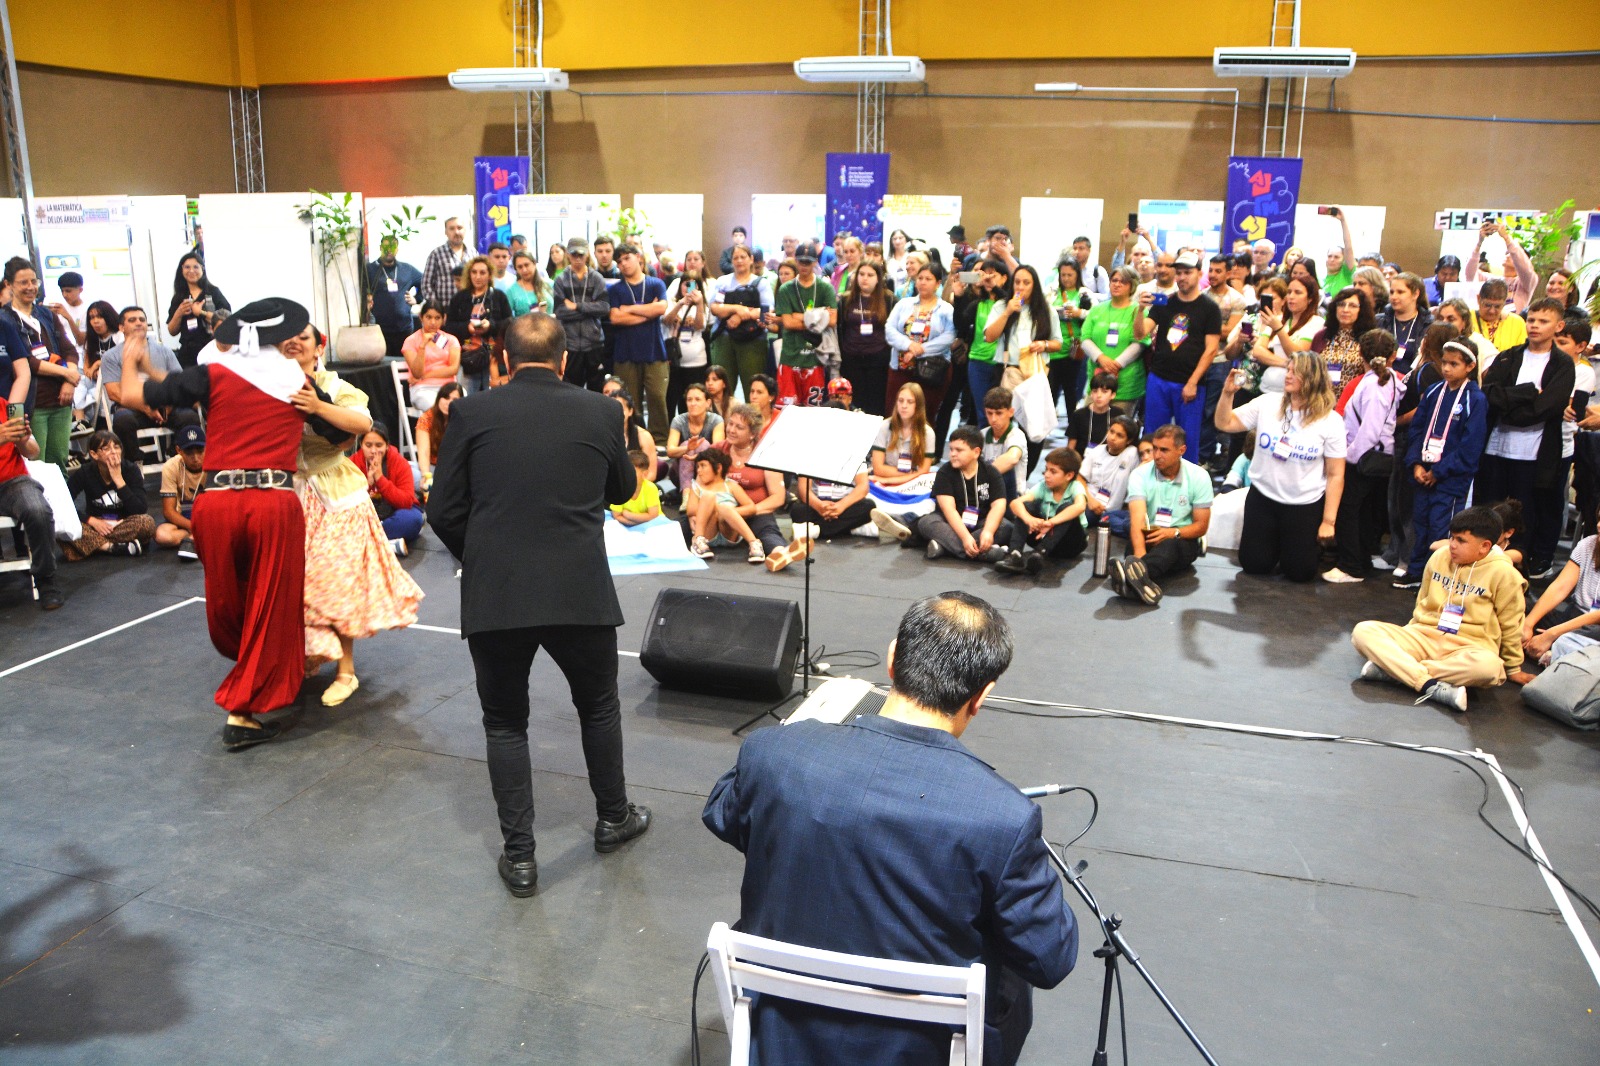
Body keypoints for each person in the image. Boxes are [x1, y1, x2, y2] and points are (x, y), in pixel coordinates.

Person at [703, 591, 1077, 1065]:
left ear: (892, 658)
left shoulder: (774, 754)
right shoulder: (1001, 815)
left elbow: (724, 814)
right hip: (918, 1049)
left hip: (782, 1034)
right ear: (981, 696)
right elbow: (1050, 958)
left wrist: (797, 739)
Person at [427, 312, 649, 896]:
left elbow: (442, 510)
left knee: (504, 724)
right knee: (598, 707)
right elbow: (625, 490)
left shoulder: (471, 411)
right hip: (579, 587)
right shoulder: (601, 410)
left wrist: (480, 555)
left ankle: (521, 858)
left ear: (503, 357)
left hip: (498, 591)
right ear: (565, 359)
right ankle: (612, 817)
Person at [121, 298, 344, 751]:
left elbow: (131, 395)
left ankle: (251, 672)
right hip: (272, 504)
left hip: (217, 503)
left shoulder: (215, 374)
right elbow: (344, 434)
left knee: (230, 600)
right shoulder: (296, 381)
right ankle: (243, 707)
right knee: (270, 602)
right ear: (282, 339)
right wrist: (318, 408)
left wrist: (131, 360)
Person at [283, 326, 421, 706]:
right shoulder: (273, 386)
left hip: (336, 494)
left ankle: (346, 672)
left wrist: (317, 407)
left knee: (330, 579)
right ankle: (306, 657)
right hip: (290, 494)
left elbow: (361, 425)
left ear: (318, 347)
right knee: (291, 584)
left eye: (302, 338)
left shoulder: (338, 386)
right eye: (287, 341)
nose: (294, 343)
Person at [1352, 507, 1526, 712]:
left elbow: (1511, 623)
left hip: (1468, 647)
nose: (1452, 545)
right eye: (1452, 538)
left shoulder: (1505, 574)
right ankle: (1428, 685)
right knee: (1363, 631)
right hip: (1423, 636)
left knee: (1490, 669)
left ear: (1485, 546)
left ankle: (1395, 671)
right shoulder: (1439, 557)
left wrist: (1513, 667)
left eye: (1461, 541)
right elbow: (1422, 600)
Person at [1215, 352, 1346, 583]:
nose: (1288, 375)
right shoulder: (1268, 403)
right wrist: (1227, 394)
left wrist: (1328, 521)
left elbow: (1336, 475)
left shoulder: (1330, 420)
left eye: (1296, 372)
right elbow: (1224, 423)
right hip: (1263, 498)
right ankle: (1272, 546)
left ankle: (1291, 548)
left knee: (1300, 573)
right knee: (1254, 565)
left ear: (1312, 377)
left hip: (1303, 504)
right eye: (1289, 370)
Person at [1478, 298, 1576, 578]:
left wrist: (1511, 408)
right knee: (1490, 506)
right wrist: (1529, 393)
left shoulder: (1562, 364)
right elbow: (1490, 394)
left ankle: (1518, 565)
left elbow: (1548, 407)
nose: (1534, 326)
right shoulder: (1510, 355)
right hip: (1497, 446)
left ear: (1558, 326)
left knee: (1526, 511)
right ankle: (1484, 563)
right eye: (1531, 319)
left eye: (1543, 321)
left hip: (1534, 452)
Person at [1403, 340, 1488, 582]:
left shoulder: (1475, 399)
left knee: (1442, 528)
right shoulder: (1433, 391)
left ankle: (1437, 577)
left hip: (1451, 479)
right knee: (1421, 524)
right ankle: (1417, 571)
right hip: (1424, 472)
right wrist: (1416, 464)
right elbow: (1417, 430)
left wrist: (1439, 471)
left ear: (1470, 366)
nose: (1447, 369)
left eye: (1454, 364)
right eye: (1444, 363)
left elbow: (1470, 445)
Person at [1325, 331, 1401, 583]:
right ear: (1393, 355)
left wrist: (1349, 457)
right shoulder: (1384, 381)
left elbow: (1370, 429)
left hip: (1364, 458)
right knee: (1367, 511)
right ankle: (1362, 559)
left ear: (1360, 353)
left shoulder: (1374, 384)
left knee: (1351, 511)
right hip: (1371, 456)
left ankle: (1351, 566)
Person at [1107, 424, 1212, 606]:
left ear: (1181, 450)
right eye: (1155, 448)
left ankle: (1129, 579)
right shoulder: (1140, 474)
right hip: (1147, 534)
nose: (1156, 455)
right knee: (1134, 550)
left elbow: (1201, 526)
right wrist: (1139, 555)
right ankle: (1139, 582)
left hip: (1181, 538)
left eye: (1164, 450)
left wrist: (1173, 532)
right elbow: (1137, 519)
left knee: (1169, 547)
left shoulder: (1199, 476)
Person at [1134, 251, 1221, 463]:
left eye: (1187, 272)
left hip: (1190, 383)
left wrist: (1192, 382)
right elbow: (1140, 333)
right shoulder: (1165, 302)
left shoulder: (1209, 308)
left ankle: (1186, 488)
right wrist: (1139, 310)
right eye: (1179, 272)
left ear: (1199, 274)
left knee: (1187, 440)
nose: (1182, 277)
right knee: (1153, 435)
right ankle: (1150, 479)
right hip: (1160, 378)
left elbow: (1211, 349)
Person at [98, 307, 202, 461]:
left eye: (142, 319)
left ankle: (176, 458)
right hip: (132, 408)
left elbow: (179, 385)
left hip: (165, 405)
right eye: (132, 320)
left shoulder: (164, 351)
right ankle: (133, 465)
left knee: (189, 417)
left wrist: (167, 408)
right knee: (122, 421)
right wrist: (146, 408)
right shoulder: (110, 356)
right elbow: (114, 392)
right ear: (121, 327)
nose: (138, 323)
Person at [4, 258, 79, 468]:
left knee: (60, 462)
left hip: (60, 400)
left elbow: (69, 350)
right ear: (9, 285)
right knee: (36, 463)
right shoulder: (5, 319)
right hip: (31, 404)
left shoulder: (45, 314)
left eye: (33, 281)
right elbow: (27, 362)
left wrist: (69, 381)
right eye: (23, 283)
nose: (30, 287)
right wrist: (66, 374)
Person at [897, 426, 1008, 563]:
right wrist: (965, 538)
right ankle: (983, 553)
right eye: (951, 449)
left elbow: (999, 504)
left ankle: (944, 547)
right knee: (927, 522)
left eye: (959, 450)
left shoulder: (990, 472)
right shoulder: (945, 472)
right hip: (950, 524)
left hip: (979, 522)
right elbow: (948, 509)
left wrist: (988, 531)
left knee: (1005, 527)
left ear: (976, 452)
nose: (952, 454)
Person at [1518, 525, 1600, 681]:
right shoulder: (1588, 543)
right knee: (1519, 607)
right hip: (1574, 615)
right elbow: (1560, 587)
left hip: (1596, 627)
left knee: (1586, 637)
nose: (1599, 525)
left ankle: (1555, 649)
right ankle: (1557, 652)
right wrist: (1528, 624)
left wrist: (1552, 634)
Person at [0, 407, 61, 607]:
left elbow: (34, 452)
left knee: (38, 511)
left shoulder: (5, 406)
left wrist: (23, 441)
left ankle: (46, 581)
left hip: (12, 480)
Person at [61, 430, 154, 560]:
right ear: (94, 454)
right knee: (61, 525)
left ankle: (93, 545)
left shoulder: (131, 469)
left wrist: (119, 480)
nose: (114, 452)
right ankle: (112, 547)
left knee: (147, 523)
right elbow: (62, 502)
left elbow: (140, 509)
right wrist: (91, 521)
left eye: (116, 447)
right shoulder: (85, 472)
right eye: (106, 448)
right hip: (95, 525)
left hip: (123, 523)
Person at [995, 445, 1088, 574]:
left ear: (1069, 475)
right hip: (1044, 536)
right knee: (1026, 506)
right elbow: (1015, 503)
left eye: (1053, 472)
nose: (1047, 475)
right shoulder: (1043, 486)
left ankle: (1041, 552)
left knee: (1067, 508)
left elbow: (1080, 506)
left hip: (1070, 543)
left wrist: (1051, 522)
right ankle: (1015, 554)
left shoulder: (1075, 486)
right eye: (1046, 470)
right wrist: (1030, 519)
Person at [607, 243, 670, 432]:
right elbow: (616, 317)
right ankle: (633, 437)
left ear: (638, 257)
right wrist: (647, 313)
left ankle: (659, 439)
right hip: (625, 353)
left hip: (654, 351)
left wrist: (630, 309)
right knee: (628, 400)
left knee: (657, 397)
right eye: (619, 262)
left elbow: (661, 308)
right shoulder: (616, 289)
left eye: (627, 258)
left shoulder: (656, 283)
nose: (623, 264)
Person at [714, 403, 788, 557]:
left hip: (756, 512)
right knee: (685, 524)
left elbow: (778, 498)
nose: (732, 430)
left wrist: (747, 511)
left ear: (752, 434)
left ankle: (780, 554)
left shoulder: (766, 453)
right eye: (731, 424)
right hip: (720, 513)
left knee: (767, 529)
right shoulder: (717, 450)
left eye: (739, 427)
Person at [886, 264, 956, 422]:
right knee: (895, 413)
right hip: (901, 367)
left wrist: (920, 350)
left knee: (925, 416)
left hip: (931, 369)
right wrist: (909, 346)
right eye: (920, 278)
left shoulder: (945, 309)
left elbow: (949, 336)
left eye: (928, 279)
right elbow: (889, 329)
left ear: (938, 283)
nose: (923, 282)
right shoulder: (904, 304)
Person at [774, 241, 838, 408]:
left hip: (815, 357)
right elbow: (787, 323)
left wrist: (798, 316)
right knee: (786, 412)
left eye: (808, 262)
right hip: (790, 356)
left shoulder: (825, 288)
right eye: (801, 261)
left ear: (815, 262)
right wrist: (818, 317)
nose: (804, 266)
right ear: (795, 260)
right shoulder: (786, 289)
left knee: (813, 411)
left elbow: (832, 321)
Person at [708, 245, 775, 401]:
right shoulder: (723, 282)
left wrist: (740, 316)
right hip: (723, 340)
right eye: (735, 258)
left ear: (751, 259)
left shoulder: (761, 283)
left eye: (743, 257)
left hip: (753, 342)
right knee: (722, 389)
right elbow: (715, 309)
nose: (739, 261)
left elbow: (767, 313)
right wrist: (738, 308)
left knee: (753, 389)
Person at [985, 264, 1061, 395]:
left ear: (1034, 285)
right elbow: (989, 337)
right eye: (1017, 282)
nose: (1020, 287)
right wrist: (1007, 313)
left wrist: (1044, 344)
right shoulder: (1001, 306)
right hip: (1008, 369)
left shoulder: (1047, 310)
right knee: (1006, 412)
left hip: (1036, 371)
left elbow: (1058, 343)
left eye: (1026, 283)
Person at [352, 423, 427, 554]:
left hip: (394, 513)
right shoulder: (353, 463)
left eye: (379, 445)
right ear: (361, 445)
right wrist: (367, 485)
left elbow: (406, 501)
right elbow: (348, 504)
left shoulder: (400, 462)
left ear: (387, 445)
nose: (374, 451)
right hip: (366, 516)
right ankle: (388, 545)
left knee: (413, 520)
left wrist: (380, 479)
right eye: (368, 445)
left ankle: (369, 541)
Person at [685, 447, 766, 563]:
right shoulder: (697, 486)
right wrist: (715, 510)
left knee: (724, 507)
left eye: (703, 466)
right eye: (697, 467)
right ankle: (698, 540)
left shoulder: (731, 485)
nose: (699, 471)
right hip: (708, 532)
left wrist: (728, 513)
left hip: (728, 530)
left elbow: (751, 507)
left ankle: (754, 542)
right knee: (708, 496)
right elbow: (691, 510)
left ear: (718, 468)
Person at [552, 237, 612, 392]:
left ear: (587, 254)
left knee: (597, 389)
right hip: (570, 344)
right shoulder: (561, 280)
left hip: (594, 344)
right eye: (574, 254)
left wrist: (576, 306)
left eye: (581, 254)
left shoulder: (596, 278)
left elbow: (604, 308)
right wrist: (589, 311)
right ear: (568, 255)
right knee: (571, 389)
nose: (578, 258)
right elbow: (559, 312)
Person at [446, 256, 513, 394]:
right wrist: (467, 327)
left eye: (482, 272)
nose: (478, 276)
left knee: (495, 399)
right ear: (469, 274)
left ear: (489, 275)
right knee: (468, 398)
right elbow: (449, 326)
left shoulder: (499, 297)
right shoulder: (459, 298)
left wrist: (491, 325)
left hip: (494, 357)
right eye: (474, 272)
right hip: (468, 357)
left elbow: (509, 324)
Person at [1082, 266, 1144, 415]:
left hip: (1125, 382)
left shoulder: (1138, 310)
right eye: (1114, 280)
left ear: (1132, 286)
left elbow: (1140, 341)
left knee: (1119, 430)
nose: (1117, 284)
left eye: (1123, 282)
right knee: (1090, 426)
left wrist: (1116, 364)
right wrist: (1101, 358)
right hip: (1097, 380)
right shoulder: (1097, 310)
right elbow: (1085, 338)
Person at [838, 258, 892, 417]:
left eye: (870, 274)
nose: (865, 278)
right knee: (855, 403)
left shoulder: (888, 299)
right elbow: (841, 327)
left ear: (878, 278)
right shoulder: (846, 299)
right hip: (851, 358)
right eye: (861, 274)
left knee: (875, 403)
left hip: (878, 359)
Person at [164, 253, 230, 370]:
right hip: (188, 354)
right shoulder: (179, 297)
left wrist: (201, 313)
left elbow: (226, 321)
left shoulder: (213, 292)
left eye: (195, 267)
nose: (191, 270)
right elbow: (172, 331)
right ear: (182, 270)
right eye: (187, 267)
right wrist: (179, 312)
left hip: (212, 348)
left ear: (202, 269)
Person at [868, 381, 937, 492]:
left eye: (910, 402)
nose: (904, 406)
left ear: (918, 405)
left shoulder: (928, 433)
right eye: (900, 401)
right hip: (882, 481)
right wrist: (910, 475)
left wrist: (890, 479)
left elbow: (923, 473)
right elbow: (878, 469)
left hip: (910, 485)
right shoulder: (884, 427)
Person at [662, 260, 710, 417]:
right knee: (670, 399)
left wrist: (699, 303)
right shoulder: (671, 302)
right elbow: (666, 320)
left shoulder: (703, 306)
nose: (688, 288)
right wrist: (680, 303)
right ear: (680, 285)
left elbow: (699, 325)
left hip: (696, 362)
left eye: (693, 284)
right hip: (674, 362)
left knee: (690, 402)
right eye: (685, 284)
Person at [1081, 415, 1141, 537]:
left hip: (1112, 512)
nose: (1112, 438)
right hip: (1090, 503)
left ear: (1129, 441)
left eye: (1120, 435)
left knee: (1119, 523)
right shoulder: (1097, 451)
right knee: (1080, 516)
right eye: (1111, 432)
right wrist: (1090, 501)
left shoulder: (1133, 454)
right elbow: (1080, 478)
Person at [154, 423, 206, 558]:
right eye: (189, 453)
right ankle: (197, 537)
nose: (195, 458)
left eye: (200, 451)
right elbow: (168, 511)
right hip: (183, 520)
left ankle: (196, 538)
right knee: (162, 535)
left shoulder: (214, 465)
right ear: (179, 450)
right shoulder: (170, 467)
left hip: (209, 520)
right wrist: (193, 527)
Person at [1311, 288, 1375, 396]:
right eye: (1341, 304)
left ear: (1362, 310)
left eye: (1352, 306)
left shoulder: (1369, 340)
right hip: (1320, 401)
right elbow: (1310, 371)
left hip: (1353, 402)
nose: (1345, 310)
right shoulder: (1321, 336)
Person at [1465, 219, 1538, 313]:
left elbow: (1525, 269)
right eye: (1507, 253)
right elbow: (1469, 275)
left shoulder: (1524, 283)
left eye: (1511, 254)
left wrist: (1507, 238)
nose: (1508, 255)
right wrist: (1479, 243)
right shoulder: (1489, 280)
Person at [368, 237, 423, 358]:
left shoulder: (407, 269)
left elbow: (425, 281)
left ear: (397, 249)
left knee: (405, 363)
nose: (389, 250)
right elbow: (361, 290)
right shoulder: (371, 270)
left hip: (404, 329)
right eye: (386, 247)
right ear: (380, 248)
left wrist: (417, 299)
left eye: (392, 247)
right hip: (379, 330)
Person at [664, 381, 724, 490]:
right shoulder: (678, 421)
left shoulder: (716, 420)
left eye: (697, 399)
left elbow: (718, 450)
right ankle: (686, 494)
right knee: (688, 444)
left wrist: (700, 455)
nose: (693, 403)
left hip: (708, 468)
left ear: (708, 403)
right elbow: (670, 451)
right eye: (689, 400)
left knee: (703, 444)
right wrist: (687, 448)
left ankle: (703, 491)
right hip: (680, 472)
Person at [980, 386, 1026, 499]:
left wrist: (979, 478)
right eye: (989, 413)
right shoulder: (982, 434)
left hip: (1013, 496)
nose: (993, 419)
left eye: (999, 413)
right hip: (986, 493)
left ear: (1011, 412)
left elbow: (1012, 459)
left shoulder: (1017, 435)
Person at [1067, 372, 1124, 456]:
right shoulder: (1079, 415)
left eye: (1104, 392)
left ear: (1112, 395)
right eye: (1095, 391)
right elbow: (1071, 446)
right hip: (1081, 460)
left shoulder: (1118, 414)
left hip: (1107, 459)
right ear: (1091, 393)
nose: (1099, 395)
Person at [416, 380, 458, 492]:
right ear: (439, 398)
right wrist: (426, 476)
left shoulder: (463, 420)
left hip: (455, 470)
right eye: (446, 397)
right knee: (410, 471)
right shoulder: (427, 418)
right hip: (432, 468)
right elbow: (423, 452)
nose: (448, 403)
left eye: (454, 400)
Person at [422, 216, 471, 307]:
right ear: (446, 232)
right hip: (445, 312)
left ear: (465, 230)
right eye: (452, 229)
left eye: (459, 228)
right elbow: (426, 285)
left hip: (469, 311)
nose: (456, 232)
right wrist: (436, 307)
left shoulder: (473, 253)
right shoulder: (436, 254)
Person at [1471, 278, 1526, 354]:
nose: (1492, 311)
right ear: (1478, 299)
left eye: (1497, 306)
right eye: (1487, 305)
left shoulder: (1517, 323)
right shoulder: (1466, 319)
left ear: (1504, 303)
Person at [505, 251, 552, 316]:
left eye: (527, 265)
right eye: (520, 267)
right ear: (516, 269)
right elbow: (507, 318)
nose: (524, 270)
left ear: (534, 264)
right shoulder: (512, 291)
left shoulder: (550, 284)